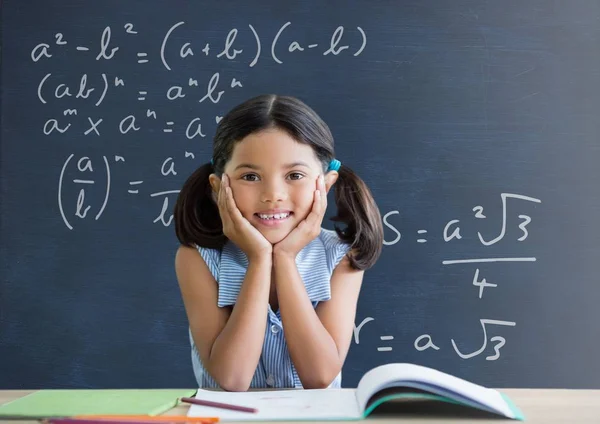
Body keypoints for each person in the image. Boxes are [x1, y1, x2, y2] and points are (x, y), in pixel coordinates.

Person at [173, 94, 383, 391]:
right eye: (250, 176)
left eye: (294, 175)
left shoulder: (342, 256)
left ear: (325, 184)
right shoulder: (198, 259)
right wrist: (260, 259)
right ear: (218, 187)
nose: (273, 194)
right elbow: (232, 378)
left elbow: (319, 375)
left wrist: (284, 258)